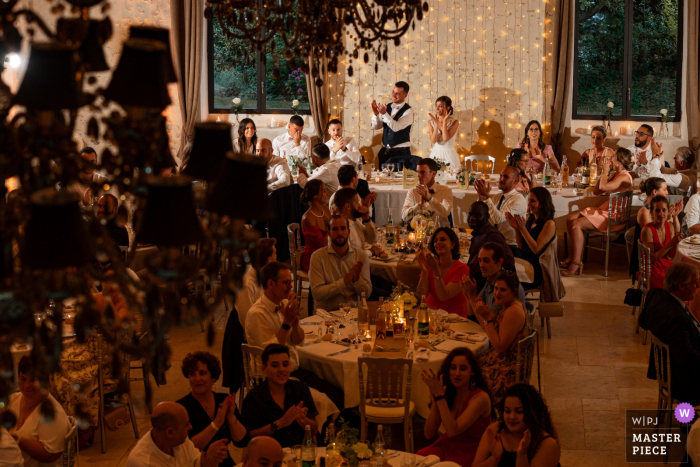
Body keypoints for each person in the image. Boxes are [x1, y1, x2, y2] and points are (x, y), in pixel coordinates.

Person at [246, 262, 345, 409]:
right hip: (275, 381)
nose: (291, 287)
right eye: (286, 283)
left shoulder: (284, 303)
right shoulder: (257, 314)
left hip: (294, 370)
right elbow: (270, 354)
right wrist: (286, 324)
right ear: (271, 284)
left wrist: (295, 324)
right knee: (328, 401)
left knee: (339, 392)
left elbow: (298, 342)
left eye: (290, 282)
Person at [561, 148, 634, 276]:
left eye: (614, 156)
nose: (611, 158)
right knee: (570, 219)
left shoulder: (624, 177)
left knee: (576, 224)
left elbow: (604, 187)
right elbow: (597, 191)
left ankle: (577, 262)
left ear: (620, 160)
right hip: (606, 211)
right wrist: (602, 173)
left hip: (614, 216)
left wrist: (605, 171)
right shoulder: (615, 174)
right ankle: (575, 254)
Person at [418, 348, 492, 467]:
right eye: (453, 368)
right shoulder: (449, 392)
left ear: (472, 371)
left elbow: (453, 431)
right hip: (447, 445)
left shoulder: (480, 398)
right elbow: (428, 433)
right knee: (419, 458)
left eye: (463, 369)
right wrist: (436, 403)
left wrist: (440, 397)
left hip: (470, 451)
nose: (457, 373)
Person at [639, 263, 700, 406]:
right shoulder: (677, 318)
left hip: (664, 367)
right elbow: (686, 357)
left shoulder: (655, 294)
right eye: (694, 283)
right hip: (681, 379)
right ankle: (688, 422)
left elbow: (643, 322)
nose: (697, 287)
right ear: (681, 286)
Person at [177, 352, 248, 467]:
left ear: (213, 377)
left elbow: (241, 441)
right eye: (192, 374)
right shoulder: (181, 408)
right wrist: (217, 423)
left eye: (202, 373)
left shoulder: (223, 399)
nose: (196, 379)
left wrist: (230, 417)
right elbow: (185, 448)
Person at [241, 344, 319, 448]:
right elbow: (247, 438)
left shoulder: (301, 389)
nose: (281, 369)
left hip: (299, 453)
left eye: (285, 364)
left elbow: (314, 431)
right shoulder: (254, 398)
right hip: (268, 456)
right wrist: (279, 423)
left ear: (290, 366)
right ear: (264, 369)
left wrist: (301, 419)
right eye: (275, 365)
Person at [472, 273, 532, 403]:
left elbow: (499, 346)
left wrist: (487, 318)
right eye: (496, 288)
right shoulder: (510, 306)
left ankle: (477, 411)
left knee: (464, 375)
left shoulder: (513, 312)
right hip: (505, 363)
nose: (497, 293)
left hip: (506, 373)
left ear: (514, 291)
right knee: (467, 361)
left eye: (503, 290)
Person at [473, 384, 560, 467]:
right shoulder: (495, 430)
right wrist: (495, 459)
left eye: (519, 411)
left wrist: (522, 455)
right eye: (507, 411)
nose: (511, 417)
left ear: (533, 413)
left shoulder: (547, 444)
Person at [8, 357, 70, 467]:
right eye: (23, 379)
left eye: (33, 380)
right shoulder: (13, 399)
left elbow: (49, 456)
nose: (27, 385)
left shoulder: (53, 414)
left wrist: (17, 440)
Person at [125, 402, 229, 467]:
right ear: (170, 432)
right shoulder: (144, 463)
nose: (190, 427)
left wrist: (208, 459)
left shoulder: (178, 439)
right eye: (186, 424)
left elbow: (194, 461)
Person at [309, 215, 372, 310]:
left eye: (343, 228)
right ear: (329, 233)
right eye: (335, 229)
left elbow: (366, 295)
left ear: (349, 232)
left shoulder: (361, 255)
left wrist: (357, 280)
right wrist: (344, 281)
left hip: (353, 314)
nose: (339, 233)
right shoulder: (318, 256)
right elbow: (317, 294)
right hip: (327, 315)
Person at [628, 178, 681, 281]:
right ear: (655, 192)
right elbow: (654, 238)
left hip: (662, 258)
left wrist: (674, 216)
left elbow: (674, 231)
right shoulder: (645, 213)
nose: (667, 192)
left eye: (663, 210)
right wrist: (668, 218)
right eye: (665, 189)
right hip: (649, 262)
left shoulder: (664, 221)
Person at [506, 187, 556, 290]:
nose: (528, 204)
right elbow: (521, 246)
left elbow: (536, 249)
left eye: (532, 201)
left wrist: (523, 229)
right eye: (528, 200)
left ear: (542, 203)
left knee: (504, 278)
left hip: (534, 267)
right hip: (524, 259)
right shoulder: (532, 219)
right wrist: (516, 229)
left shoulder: (549, 224)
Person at [462, 243, 526, 320]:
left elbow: (488, 321)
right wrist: (469, 295)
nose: (481, 265)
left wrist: (472, 295)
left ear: (499, 262)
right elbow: (471, 312)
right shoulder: (490, 280)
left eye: (486, 261)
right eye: (480, 260)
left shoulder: (504, 287)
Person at [416, 227, 470, 316]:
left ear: (453, 243)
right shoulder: (431, 264)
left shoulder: (462, 269)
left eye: (443, 239)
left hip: (453, 317)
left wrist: (436, 272)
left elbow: (444, 296)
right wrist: (424, 272)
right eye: (435, 241)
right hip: (430, 312)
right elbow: (420, 295)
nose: (438, 243)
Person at [474, 166, 528, 253]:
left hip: (510, 246)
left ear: (515, 181)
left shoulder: (518, 199)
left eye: (505, 176)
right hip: (495, 242)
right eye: (500, 175)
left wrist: (487, 197)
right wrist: (481, 197)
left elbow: (497, 219)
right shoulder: (498, 197)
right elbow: (480, 215)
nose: (501, 179)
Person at [466, 201, 514, 292]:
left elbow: (510, 261)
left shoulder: (492, 235)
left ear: (487, 217)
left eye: (477, 215)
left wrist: (479, 258)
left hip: (485, 287)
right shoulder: (479, 232)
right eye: (470, 214)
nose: (472, 218)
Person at [640, 195, 682, 289]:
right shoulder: (647, 230)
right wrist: (671, 243)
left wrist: (676, 242)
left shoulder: (670, 227)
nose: (661, 214)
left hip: (665, 264)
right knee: (673, 282)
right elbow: (651, 259)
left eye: (663, 210)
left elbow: (671, 255)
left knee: (685, 277)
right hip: (650, 267)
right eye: (657, 210)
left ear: (668, 212)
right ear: (651, 213)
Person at [371, 81, 414, 168]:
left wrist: (384, 114)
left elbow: (396, 127)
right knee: (383, 179)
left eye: (397, 93)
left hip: (401, 154)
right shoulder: (387, 107)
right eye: (393, 91)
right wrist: (376, 114)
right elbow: (376, 126)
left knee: (399, 180)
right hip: (385, 153)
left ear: (405, 95)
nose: (393, 95)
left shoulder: (409, 111)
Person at [401, 158, 453, 227]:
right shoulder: (413, 191)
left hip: (439, 234)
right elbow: (404, 217)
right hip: (419, 234)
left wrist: (430, 199)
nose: (418, 175)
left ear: (433, 174)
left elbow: (445, 212)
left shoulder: (446, 191)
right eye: (417, 172)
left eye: (422, 172)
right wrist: (419, 205)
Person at [237, 238, 277, 328]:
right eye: (275, 253)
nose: (277, 257)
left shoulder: (268, 275)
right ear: (269, 259)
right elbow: (247, 321)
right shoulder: (246, 285)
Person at [300, 180, 331, 273]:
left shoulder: (325, 209)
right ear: (315, 195)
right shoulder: (308, 218)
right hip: (314, 259)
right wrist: (331, 226)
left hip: (328, 254)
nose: (327, 193)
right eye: (324, 191)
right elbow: (322, 245)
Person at [427, 96, 461, 168]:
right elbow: (433, 141)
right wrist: (436, 124)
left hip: (449, 155)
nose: (437, 109)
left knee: (450, 176)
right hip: (436, 153)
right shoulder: (431, 122)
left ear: (448, 108)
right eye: (436, 106)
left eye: (440, 106)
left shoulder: (455, 122)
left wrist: (445, 121)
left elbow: (445, 138)